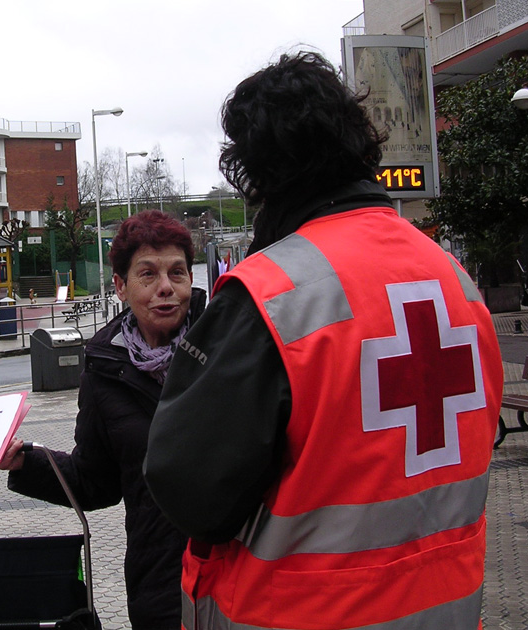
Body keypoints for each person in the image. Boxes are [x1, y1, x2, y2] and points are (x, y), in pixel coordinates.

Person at [144, 52, 504, 630]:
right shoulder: (456, 281)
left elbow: (188, 489)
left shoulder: (272, 293)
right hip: (447, 609)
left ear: (260, 173)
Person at [0, 210, 206, 629]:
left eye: (177, 273)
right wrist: (27, 461)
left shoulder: (227, 343)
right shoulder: (105, 368)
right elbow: (96, 482)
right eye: (148, 275)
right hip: (162, 586)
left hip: (242, 576)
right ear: (121, 287)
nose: (166, 288)